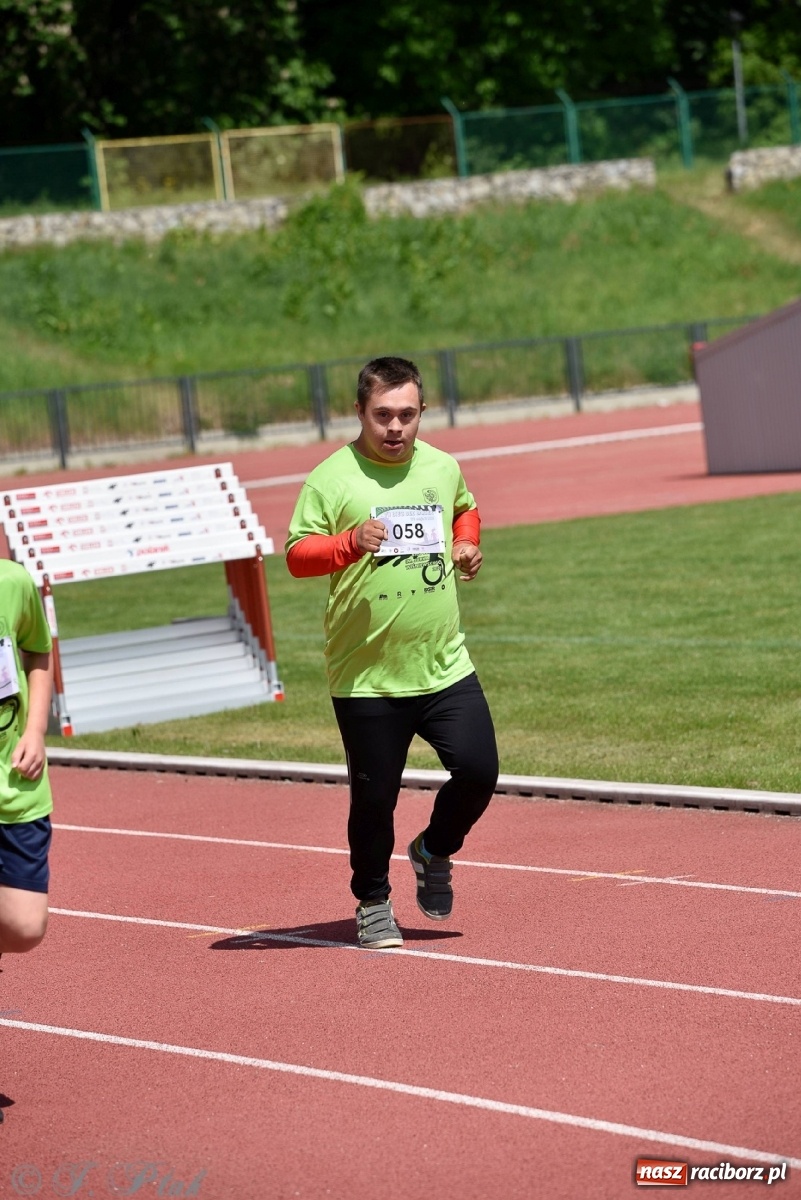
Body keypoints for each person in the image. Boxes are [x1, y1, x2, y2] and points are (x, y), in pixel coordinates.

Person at [285, 356, 498, 949]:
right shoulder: (331, 479)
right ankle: (373, 900)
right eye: (382, 415)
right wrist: (350, 543)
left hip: (444, 664)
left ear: (422, 412)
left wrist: (466, 542)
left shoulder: (441, 466)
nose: (396, 428)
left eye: (407, 415)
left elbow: (466, 506)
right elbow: (298, 555)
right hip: (367, 677)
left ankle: (433, 850)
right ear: (359, 412)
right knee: (375, 799)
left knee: (480, 771)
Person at [0, 557, 54, 967]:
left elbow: (37, 651)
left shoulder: (13, 581)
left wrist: (35, 731)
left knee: (24, 928)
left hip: (15, 781)